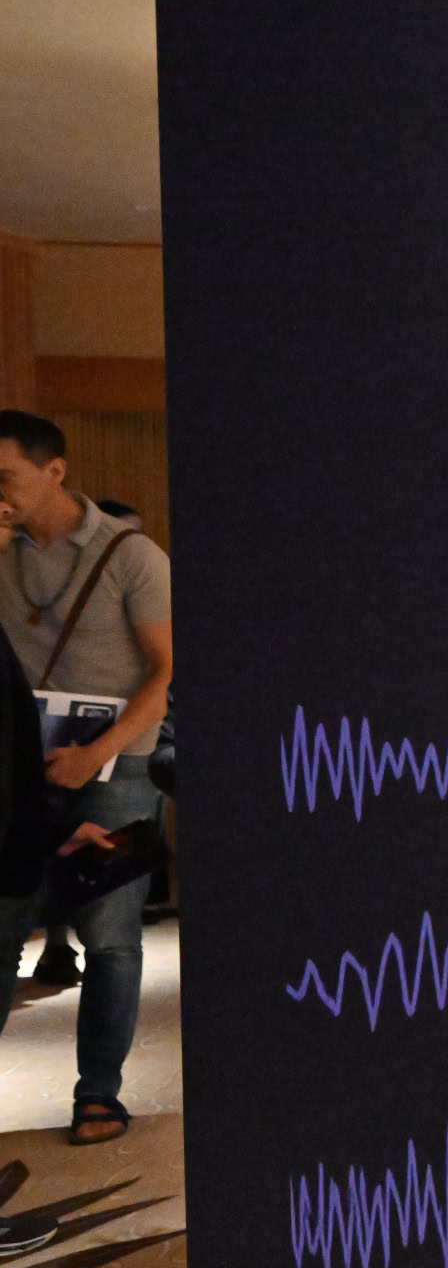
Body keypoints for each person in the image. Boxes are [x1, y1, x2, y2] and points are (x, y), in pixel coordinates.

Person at [0, 414, 172, 1146]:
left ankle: (98, 1091)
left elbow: (165, 675)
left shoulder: (132, 556)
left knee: (110, 933)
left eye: (5, 476)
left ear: (55, 471)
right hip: (19, 765)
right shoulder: (2, 551)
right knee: (7, 919)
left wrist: (94, 751)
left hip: (114, 761)